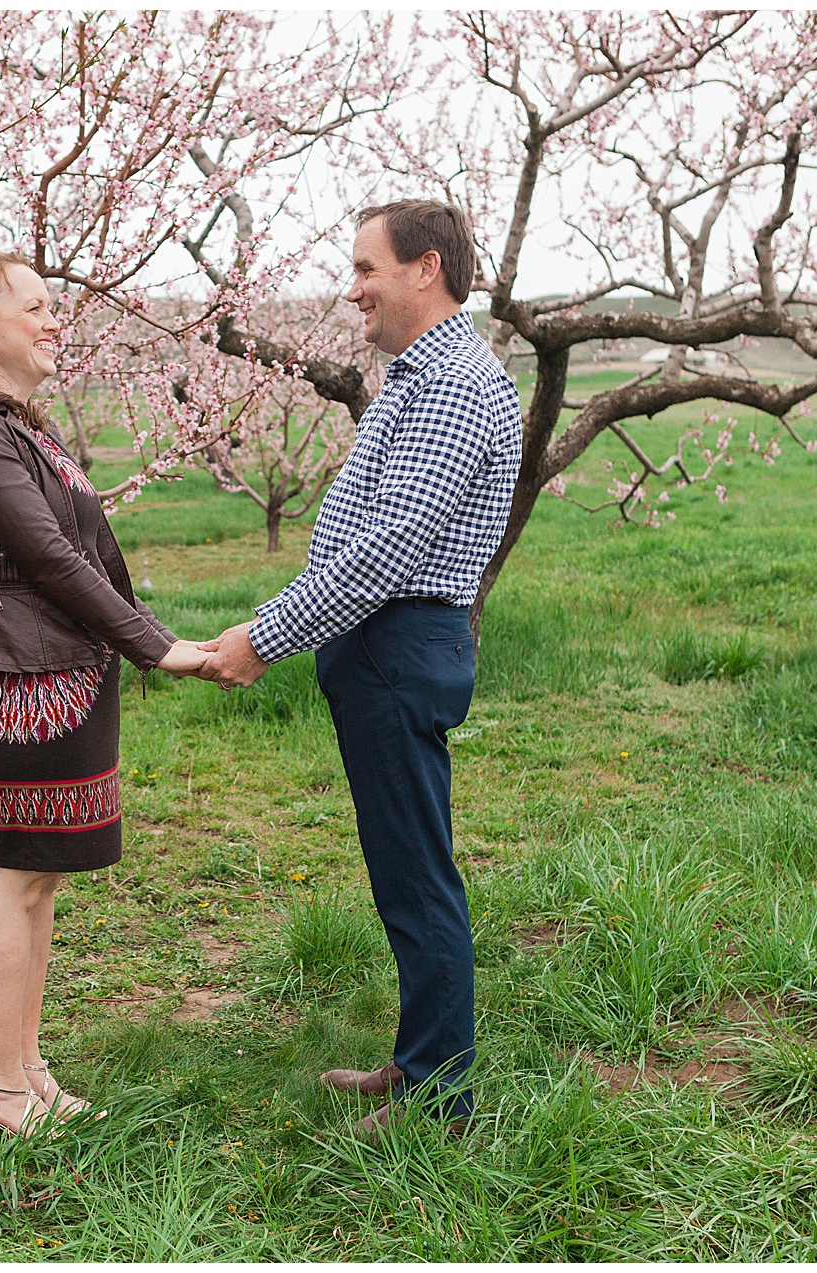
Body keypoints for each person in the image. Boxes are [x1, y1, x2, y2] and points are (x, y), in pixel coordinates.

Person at [199, 201, 523, 1143]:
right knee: (405, 870)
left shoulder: (455, 385)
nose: (353, 289)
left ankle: (438, 1100)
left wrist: (266, 637)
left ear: (426, 269)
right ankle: (423, 1059)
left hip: (397, 644)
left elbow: (386, 551)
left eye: (366, 268)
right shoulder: (422, 379)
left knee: (418, 878)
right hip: (385, 645)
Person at [0, 253, 212, 1136]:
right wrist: (158, 645)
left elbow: (90, 554)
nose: (56, 320)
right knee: (14, 876)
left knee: (41, 878)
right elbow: (49, 557)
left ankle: (25, 1063)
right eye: (37, 307)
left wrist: (141, 636)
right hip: (28, 679)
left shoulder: (22, 429)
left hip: (68, 671)